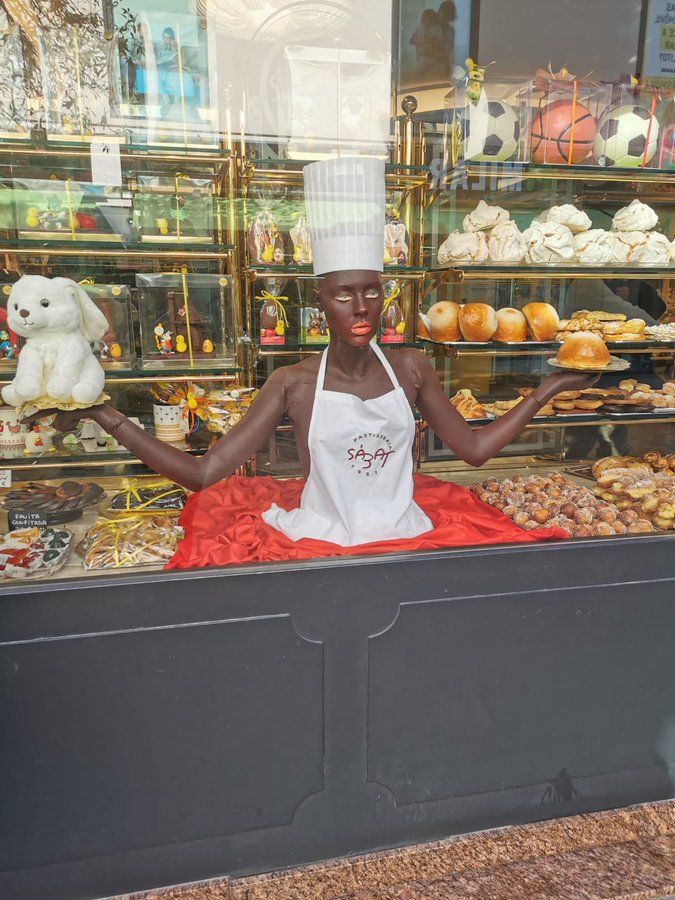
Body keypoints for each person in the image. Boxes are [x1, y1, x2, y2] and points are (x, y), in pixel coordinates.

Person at [31, 158, 596, 559]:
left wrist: (545, 391)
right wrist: (108, 416)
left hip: (408, 538)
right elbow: (205, 474)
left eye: (371, 291)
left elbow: (473, 451)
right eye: (342, 294)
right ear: (318, 300)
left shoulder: (413, 368)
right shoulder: (292, 383)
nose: (361, 307)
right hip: (319, 543)